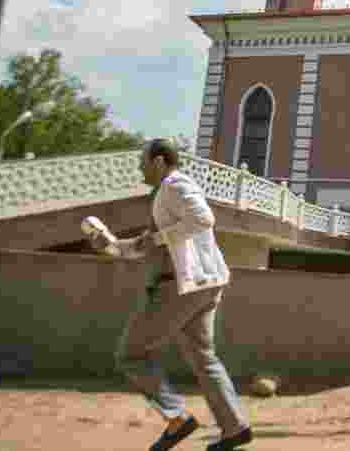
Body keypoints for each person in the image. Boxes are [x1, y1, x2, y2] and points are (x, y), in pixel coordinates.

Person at [87, 138, 252, 451]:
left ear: (159, 161)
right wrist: (111, 245)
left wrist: (159, 238)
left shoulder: (174, 186)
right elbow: (150, 245)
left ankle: (177, 418)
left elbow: (204, 219)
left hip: (180, 287)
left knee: (130, 353)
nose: (140, 168)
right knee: (204, 358)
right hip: (204, 284)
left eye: (143, 162)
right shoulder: (166, 194)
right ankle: (234, 428)